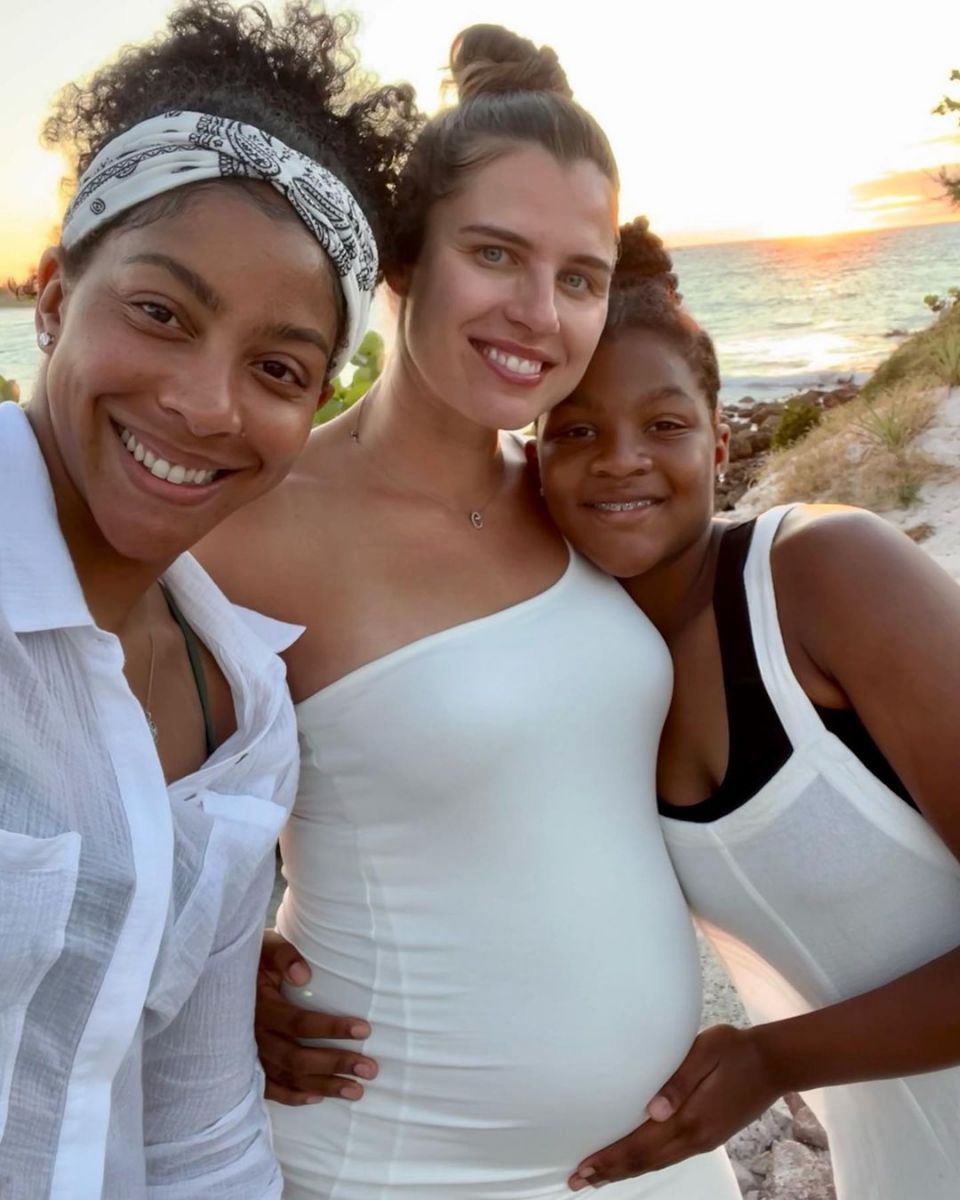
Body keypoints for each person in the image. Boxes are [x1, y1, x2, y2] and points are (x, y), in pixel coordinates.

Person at [198, 24, 740, 1200]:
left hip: (658, 1160)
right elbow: (97, 804)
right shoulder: (257, 522)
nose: (540, 313)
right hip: (403, 1162)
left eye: (580, 276)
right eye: (496, 254)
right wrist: (213, 969)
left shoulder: (586, 501)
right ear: (405, 263)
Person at [0, 3, 419, 1196]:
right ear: (54, 290)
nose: (206, 403)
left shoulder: (245, 717)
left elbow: (196, 1126)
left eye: (278, 368)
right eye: (161, 313)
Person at [530, 218, 960, 1197]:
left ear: (722, 440)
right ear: (531, 459)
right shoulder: (570, 676)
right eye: (577, 430)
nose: (621, 459)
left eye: (665, 425)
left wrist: (773, 1061)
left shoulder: (823, 577)